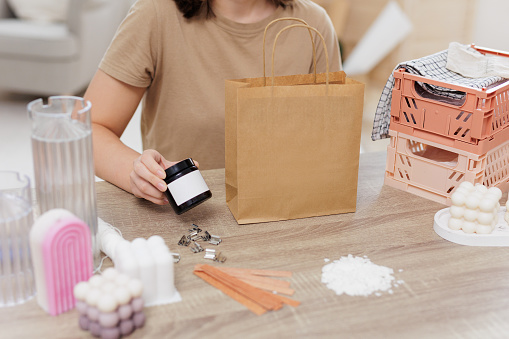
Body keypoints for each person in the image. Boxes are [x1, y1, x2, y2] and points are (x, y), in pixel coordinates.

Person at [84, 0, 341, 206]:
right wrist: (137, 173)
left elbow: (329, 144)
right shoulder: (155, 14)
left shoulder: (312, 25)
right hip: (185, 219)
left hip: (284, 213)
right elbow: (86, 130)